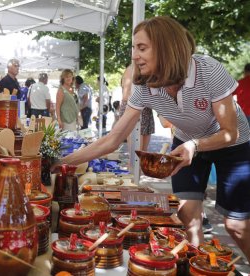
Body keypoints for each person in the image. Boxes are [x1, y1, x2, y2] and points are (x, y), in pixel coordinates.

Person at [60, 16, 250, 261]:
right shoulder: (144, 85)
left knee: (236, 226)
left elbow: (230, 132)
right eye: (133, 48)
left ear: (165, 47)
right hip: (187, 140)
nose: (135, 56)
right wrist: (64, 161)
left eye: (142, 48)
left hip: (233, 144)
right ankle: (199, 265)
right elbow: (114, 138)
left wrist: (196, 145)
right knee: (188, 217)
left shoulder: (208, 70)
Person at [120, 64, 155, 151]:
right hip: (133, 107)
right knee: (136, 153)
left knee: (141, 154)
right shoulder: (133, 68)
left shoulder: (143, 67)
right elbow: (126, 94)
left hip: (144, 108)